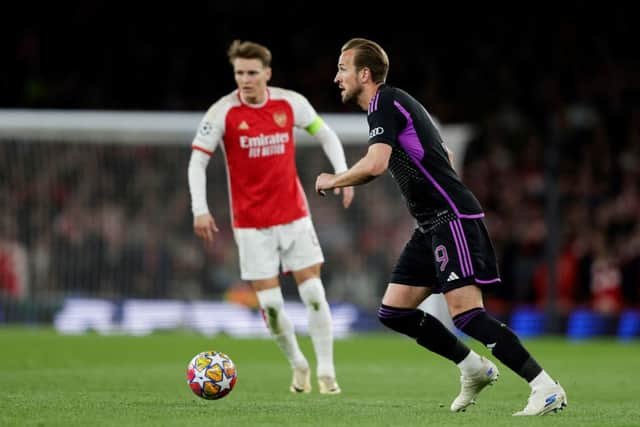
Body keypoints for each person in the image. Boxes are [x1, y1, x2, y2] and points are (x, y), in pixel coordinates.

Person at [315, 38, 568, 415]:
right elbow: (443, 153)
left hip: (452, 219)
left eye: (342, 68)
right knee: (394, 311)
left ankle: (544, 386)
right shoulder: (395, 105)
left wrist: (333, 180)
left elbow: (376, 164)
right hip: (431, 224)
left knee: (467, 314)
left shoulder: (385, 101)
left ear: (364, 74)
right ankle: (473, 368)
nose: (337, 77)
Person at [188, 40, 354, 395]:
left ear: (267, 73)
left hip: (294, 216)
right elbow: (198, 161)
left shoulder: (289, 103)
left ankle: (327, 373)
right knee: (272, 306)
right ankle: (298, 365)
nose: (244, 80)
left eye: (251, 73)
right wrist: (199, 209)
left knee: (313, 293)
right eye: (239, 73)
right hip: (250, 225)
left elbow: (326, 134)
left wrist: (342, 174)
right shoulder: (222, 112)